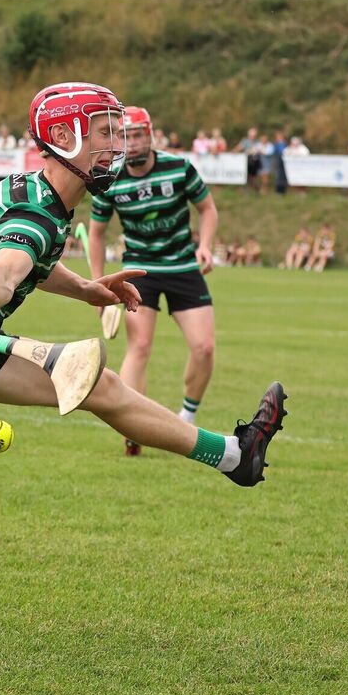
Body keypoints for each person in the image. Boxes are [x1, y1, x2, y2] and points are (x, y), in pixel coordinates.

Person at [0, 82, 286, 669]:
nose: (116, 146)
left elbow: (33, 263)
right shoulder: (33, 206)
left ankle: (236, 455)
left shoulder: (52, 201)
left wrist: (83, 289)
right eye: (103, 133)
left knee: (101, 386)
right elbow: (4, 271)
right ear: (62, 137)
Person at [89, 105, 219, 454]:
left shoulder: (179, 168)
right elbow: (97, 234)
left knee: (204, 348)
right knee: (140, 346)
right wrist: (99, 282)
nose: (133, 143)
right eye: (126, 136)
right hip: (139, 271)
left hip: (182, 267)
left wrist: (205, 247)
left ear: (151, 134)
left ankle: (186, 417)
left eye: (139, 134)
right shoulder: (111, 179)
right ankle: (133, 428)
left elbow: (207, 208)